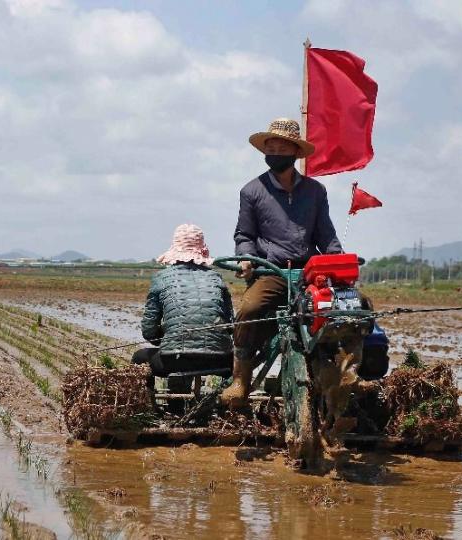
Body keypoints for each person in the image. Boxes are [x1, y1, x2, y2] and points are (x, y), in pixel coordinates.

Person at [221, 118, 342, 408]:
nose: (274, 150)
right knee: (250, 309)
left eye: (281, 146)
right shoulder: (252, 191)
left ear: (294, 152)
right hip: (272, 271)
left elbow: (326, 235)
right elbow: (245, 234)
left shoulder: (315, 191)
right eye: (270, 146)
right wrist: (246, 259)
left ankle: (342, 374)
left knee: (347, 308)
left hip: (308, 272)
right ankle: (241, 378)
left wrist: (339, 262)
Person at [132, 224, 234, 398]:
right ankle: (225, 406)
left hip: (174, 360)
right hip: (218, 359)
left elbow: (148, 332)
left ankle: (150, 406)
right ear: (202, 250)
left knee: (139, 358)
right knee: (239, 363)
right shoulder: (216, 278)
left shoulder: (161, 279)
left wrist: (166, 335)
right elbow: (231, 325)